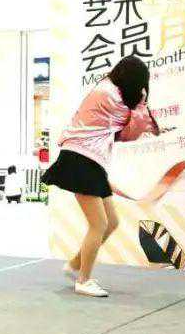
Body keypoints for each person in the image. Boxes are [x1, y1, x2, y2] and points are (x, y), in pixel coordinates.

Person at [42, 55, 161, 298]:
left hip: (89, 159)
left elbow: (125, 132)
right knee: (99, 224)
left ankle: (75, 265)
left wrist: (140, 111)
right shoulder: (111, 97)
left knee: (112, 221)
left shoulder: (110, 91)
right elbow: (132, 131)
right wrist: (141, 105)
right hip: (80, 159)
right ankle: (83, 280)